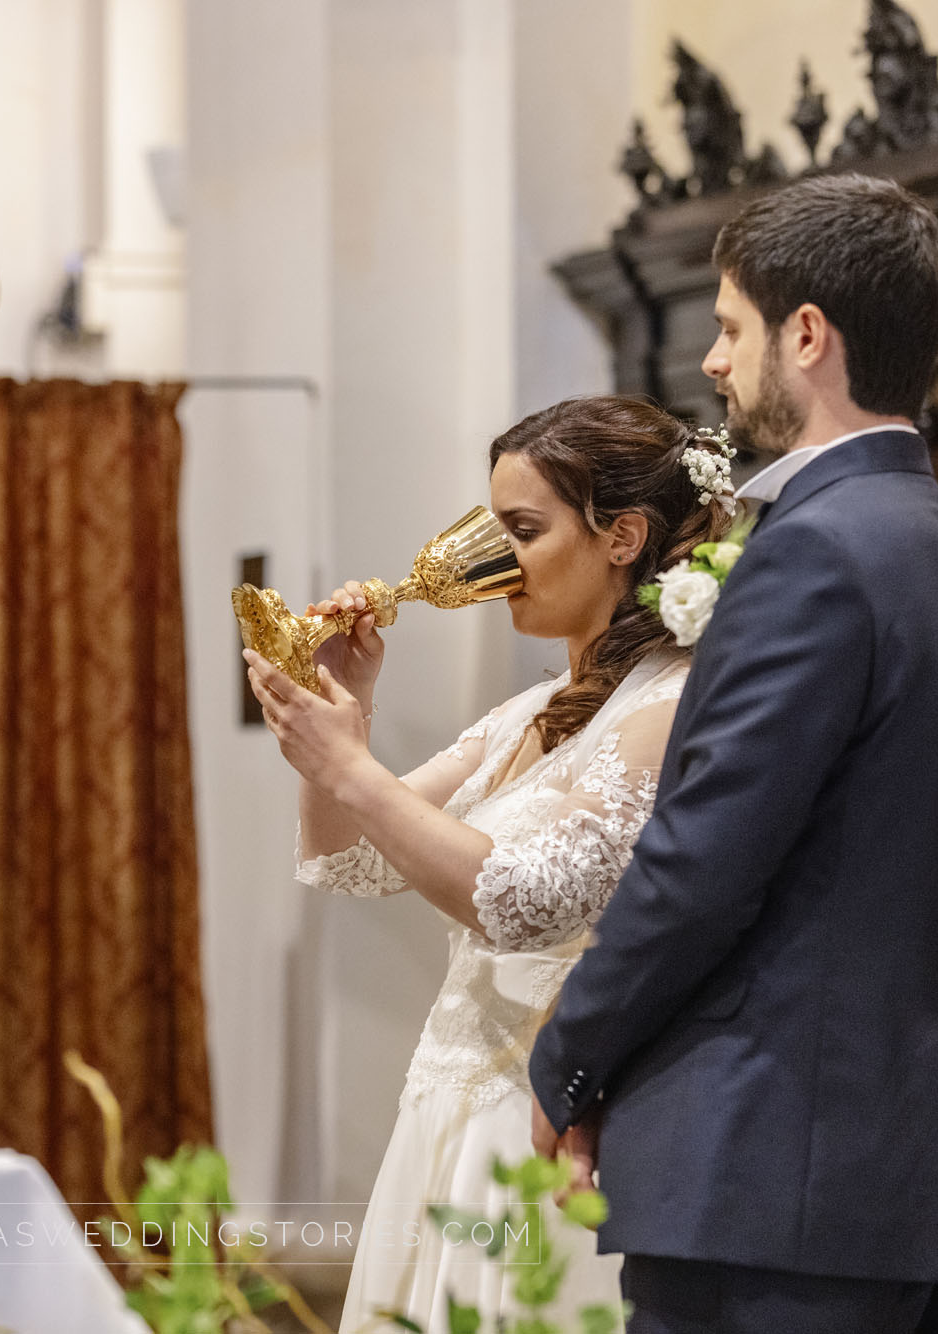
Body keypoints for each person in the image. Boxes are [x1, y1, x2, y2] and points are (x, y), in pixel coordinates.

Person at [527, 173, 938, 1334]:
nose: (710, 362)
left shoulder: (815, 550)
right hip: (849, 1171)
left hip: (756, 1171)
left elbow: (702, 859)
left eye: (728, 327)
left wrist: (568, 1057)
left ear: (806, 334)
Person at [244, 395, 735, 1331]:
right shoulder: (530, 711)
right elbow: (349, 863)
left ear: (622, 535)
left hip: (542, 1120)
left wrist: (348, 764)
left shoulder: (671, 703)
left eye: (524, 529)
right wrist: (348, 712)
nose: (502, 558)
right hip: (446, 1108)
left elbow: (518, 903)